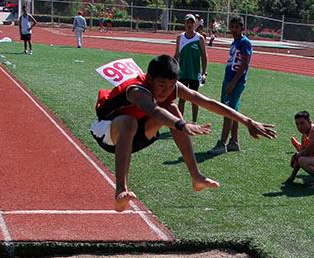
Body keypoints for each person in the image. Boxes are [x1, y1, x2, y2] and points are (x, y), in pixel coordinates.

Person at [91, 54, 276, 212]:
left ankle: (196, 176)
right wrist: (181, 124)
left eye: (171, 85)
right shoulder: (136, 90)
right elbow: (154, 112)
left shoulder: (173, 87)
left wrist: (246, 121)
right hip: (109, 133)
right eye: (162, 85)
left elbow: (205, 101)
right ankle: (120, 190)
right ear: (149, 79)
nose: (167, 90)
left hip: (139, 135)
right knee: (131, 121)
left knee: (170, 107)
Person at [208, 16, 252, 155]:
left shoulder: (245, 42)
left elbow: (244, 64)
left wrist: (233, 82)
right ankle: (234, 142)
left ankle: (222, 144)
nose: (233, 30)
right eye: (232, 27)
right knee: (233, 111)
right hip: (229, 79)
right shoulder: (235, 42)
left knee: (227, 111)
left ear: (242, 28)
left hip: (235, 81)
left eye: (236, 27)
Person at [174, 14, 207, 123]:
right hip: (182, 74)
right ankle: (180, 122)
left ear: (195, 24)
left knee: (195, 100)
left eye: (192, 22)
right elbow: (176, 56)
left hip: (194, 74)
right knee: (182, 99)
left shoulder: (200, 38)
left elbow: (204, 56)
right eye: (188, 22)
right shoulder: (180, 38)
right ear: (184, 23)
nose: (189, 24)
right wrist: (173, 71)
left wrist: (204, 72)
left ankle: (194, 122)